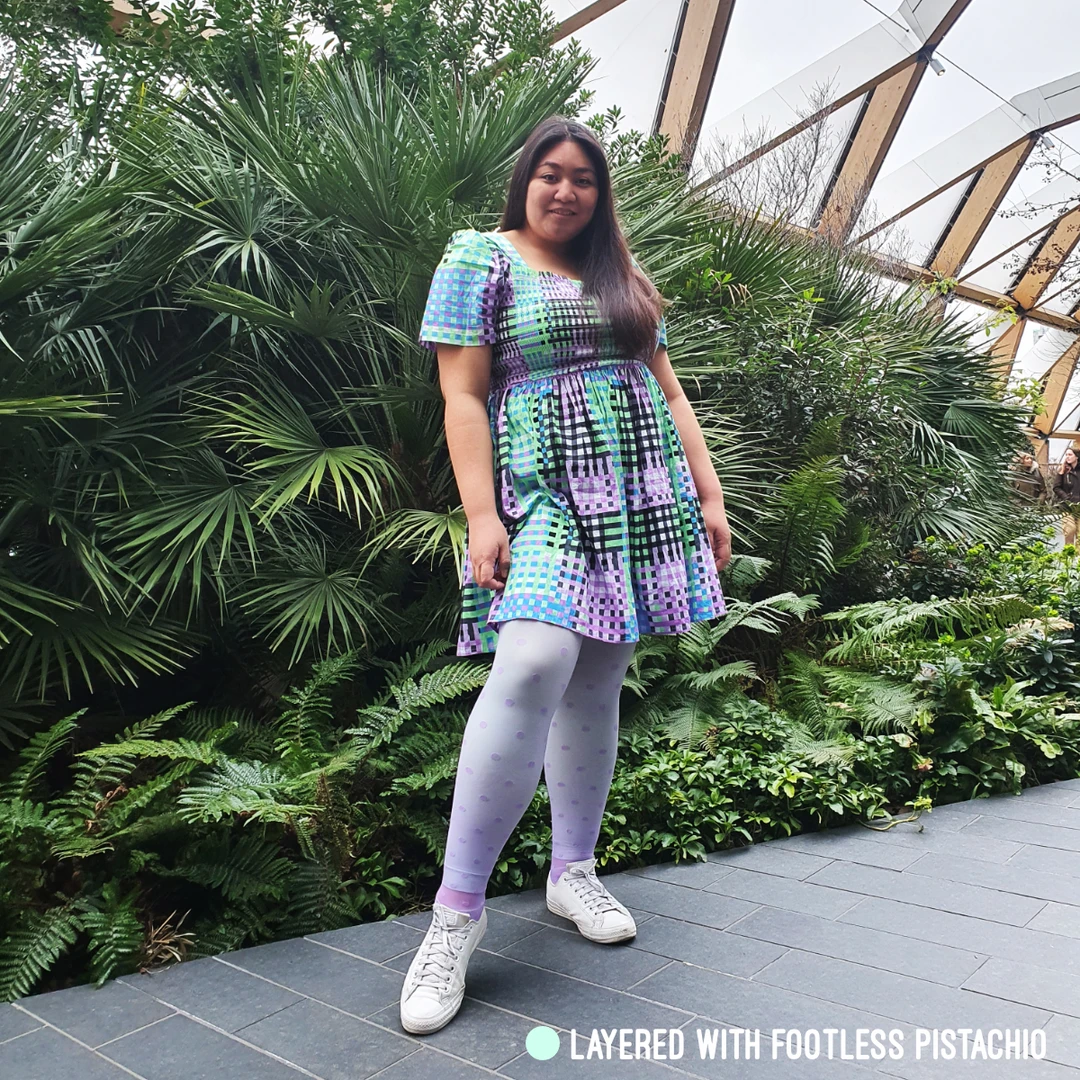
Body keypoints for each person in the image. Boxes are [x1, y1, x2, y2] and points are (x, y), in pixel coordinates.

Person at [400, 115, 731, 1035]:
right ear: (526, 180)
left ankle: (572, 871)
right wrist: (480, 515)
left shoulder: (618, 272)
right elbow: (462, 394)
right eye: (550, 173)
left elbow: (668, 389)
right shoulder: (481, 258)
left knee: (597, 680)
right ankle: (454, 916)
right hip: (544, 492)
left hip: (641, 490)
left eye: (583, 178)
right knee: (535, 661)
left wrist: (709, 495)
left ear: (600, 192)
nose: (565, 190)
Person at [1052, 446, 1080, 546]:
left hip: (1079, 505)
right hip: (1067, 506)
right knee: (1070, 530)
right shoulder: (1063, 470)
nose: (1067, 457)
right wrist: (1066, 498)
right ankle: (1069, 552)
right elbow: (1056, 487)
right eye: (1066, 454)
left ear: (1076, 456)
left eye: (1070, 454)